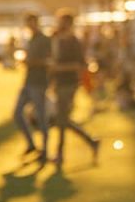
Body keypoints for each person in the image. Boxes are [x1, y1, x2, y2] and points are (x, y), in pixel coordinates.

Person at [49, 11, 100, 169]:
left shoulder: (74, 42)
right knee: (62, 119)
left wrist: (59, 68)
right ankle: (90, 141)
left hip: (69, 83)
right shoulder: (57, 40)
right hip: (58, 83)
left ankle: (60, 154)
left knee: (62, 119)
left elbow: (79, 65)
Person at [13, 13, 51, 162]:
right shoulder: (31, 40)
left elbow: (48, 61)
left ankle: (45, 151)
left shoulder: (44, 40)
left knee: (41, 118)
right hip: (28, 82)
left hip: (39, 82)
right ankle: (31, 144)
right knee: (17, 114)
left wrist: (31, 62)